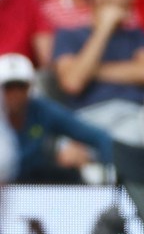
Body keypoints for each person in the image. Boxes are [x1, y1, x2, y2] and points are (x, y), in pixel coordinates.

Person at [52, 0, 144, 144]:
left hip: (132, 114)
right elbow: (72, 82)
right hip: (87, 118)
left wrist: (91, 71)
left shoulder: (135, 34)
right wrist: (104, 28)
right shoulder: (69, 35)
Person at [0, 52, 113, 183]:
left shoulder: (42, 111)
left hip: (35, 189)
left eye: (21, 87)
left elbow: (99, 137)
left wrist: (107, 175)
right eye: (8, 87)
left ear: (29, 87)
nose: (15, 94)